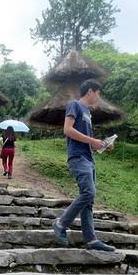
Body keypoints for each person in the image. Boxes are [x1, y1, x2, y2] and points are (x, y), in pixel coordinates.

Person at [52, 79, 116, 252]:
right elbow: (67, 130)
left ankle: (91, 239)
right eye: (98, 93)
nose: (98, 97)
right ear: (90, 91)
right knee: (89, 193)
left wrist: (103, 145)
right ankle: (61, 223)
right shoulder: (75, 105)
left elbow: (88, 142)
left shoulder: (88, 113)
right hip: (78, 158)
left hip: (88, 158)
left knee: (88, 200)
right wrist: (92, 140)